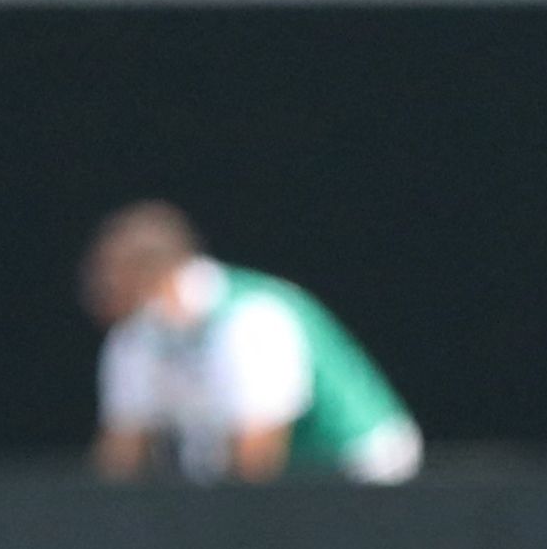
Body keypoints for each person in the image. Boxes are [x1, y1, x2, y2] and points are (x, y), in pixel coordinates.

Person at [85, 202, 420, 486]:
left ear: (158, 276)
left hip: (359, 472)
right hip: (289, 485)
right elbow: (122, 450)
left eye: (117, 281)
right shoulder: (136, 336)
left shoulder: (251, 319)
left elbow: (258, 454)